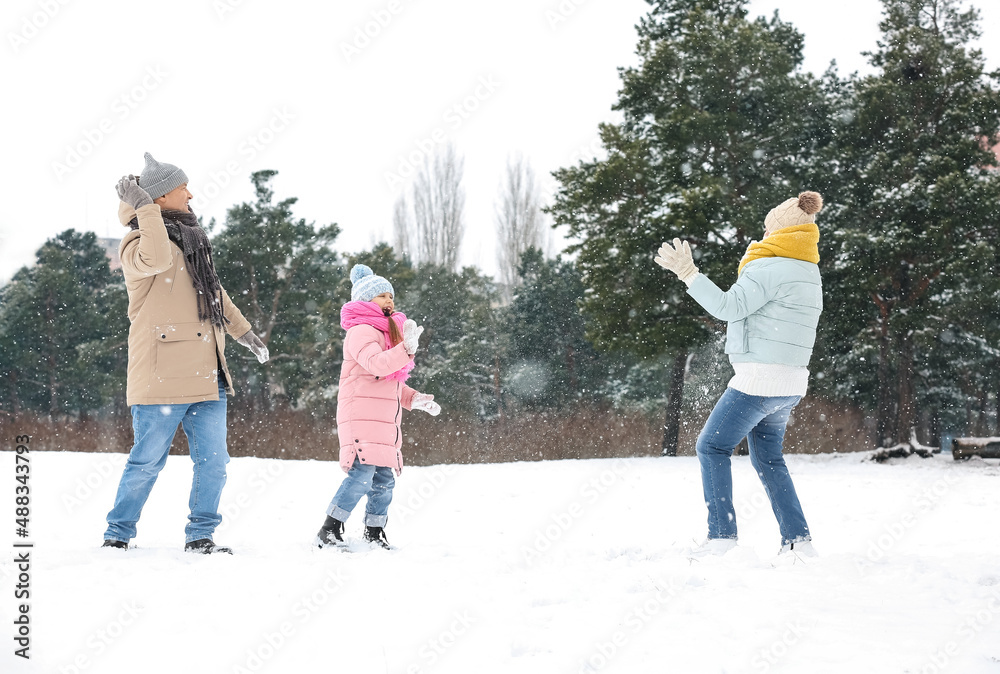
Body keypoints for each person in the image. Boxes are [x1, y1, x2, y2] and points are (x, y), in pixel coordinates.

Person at [103, 152, 270, 554]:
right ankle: (118, 534)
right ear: (159, 199)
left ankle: (201, 535)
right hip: (160, 376)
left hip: (206, 372)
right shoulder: (136, 243)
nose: (191, 194)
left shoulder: (193, 239)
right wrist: (144, 210)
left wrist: (245, 332)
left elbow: (213, 292)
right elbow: (156, 258)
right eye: (182, 188)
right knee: (147, 463)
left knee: (214, 463)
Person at [654, 192, 824, 557]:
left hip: (759, 380)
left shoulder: (769, 267)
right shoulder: (809, 271)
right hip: (792, 382)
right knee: (768, 458)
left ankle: (721, 538)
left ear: (779, 232)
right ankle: (798, 541)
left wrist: (689, 273)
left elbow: (727, 307)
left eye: (767, 228)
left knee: (711, 447)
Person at [316, 264, 441, 549]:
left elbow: (390, 381)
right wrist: (406, 349)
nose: (389, 300)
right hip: (360, 416)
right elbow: (376, 365)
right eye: (381, 295)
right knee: (361, 475)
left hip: (383, 422)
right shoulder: (360, 331)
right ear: (363, 300)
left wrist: (414, 399)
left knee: (384, 480)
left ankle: (374, 533)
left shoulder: (387, 334)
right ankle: (329, 529)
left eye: (390, 295)